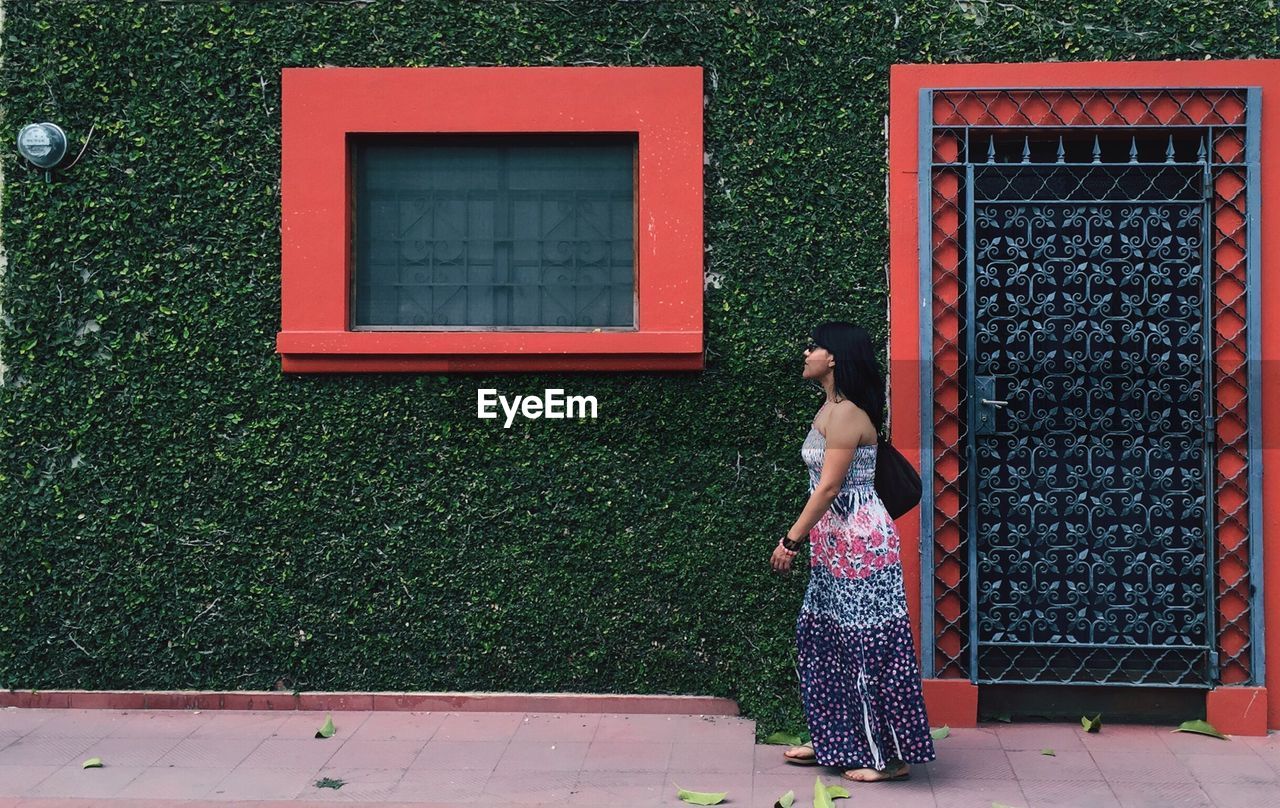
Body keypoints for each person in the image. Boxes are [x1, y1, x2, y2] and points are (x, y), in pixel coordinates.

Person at [770, 321, 936, 782]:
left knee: (869, 645)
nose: (806, 353)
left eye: (814, 346)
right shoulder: (830, 408)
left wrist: (790, 540)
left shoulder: (846, 415)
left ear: (836, 357)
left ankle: (891, 759)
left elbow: (828, 488)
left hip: (860, 545)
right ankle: (836, 740)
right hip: (833, 546)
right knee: (824, 640)